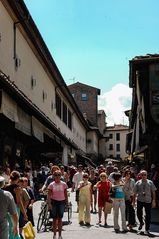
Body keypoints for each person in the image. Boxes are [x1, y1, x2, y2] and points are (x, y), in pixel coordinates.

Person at [4, 171, 28, 239]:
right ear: (18, 179)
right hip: (14, 209)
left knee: (8, 227)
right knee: (15, 227)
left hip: (5, 209)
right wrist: (24, 213)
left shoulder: (5, 186)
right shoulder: (17, 188)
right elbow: (19, 202)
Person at [133, 170, 157, 235]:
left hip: (148, 200)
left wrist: (154, 201)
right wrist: (133, 201)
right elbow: (134, 193)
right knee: (138, 213)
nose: (143, 176)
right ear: (140, 175)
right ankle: (141, 222)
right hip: (140, 200)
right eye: (142, 175)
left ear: (147, 175)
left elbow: (153, 192)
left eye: (145, 175)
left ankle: (147, 229)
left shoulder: (150, 182)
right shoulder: (137, 182)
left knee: (148, 215)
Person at [48, 170, 68, 239]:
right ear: (53, 176)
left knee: (60, 219)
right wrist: (49, 203)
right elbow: (49, 195)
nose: (57, 176)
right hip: (54, 202)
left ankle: (60, 235)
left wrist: (67, 203)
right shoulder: (51, 184)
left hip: (62, 202)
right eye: (56, 175)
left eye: (59, 175)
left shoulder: (64, 184)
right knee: (54, 219)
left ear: (60, 176)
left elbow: (66, 194)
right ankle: (54, 235)